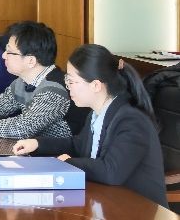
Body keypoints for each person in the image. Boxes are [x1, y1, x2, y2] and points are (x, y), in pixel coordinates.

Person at [13, 44, 167, 207]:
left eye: (71, 81)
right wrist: (37, 144)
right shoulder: (97, 114)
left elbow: (111, 171)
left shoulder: (132, 121)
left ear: (95, 85)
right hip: (106, 202)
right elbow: (78, 145)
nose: (68, 87)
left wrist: (69, 162)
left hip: (137, 211)